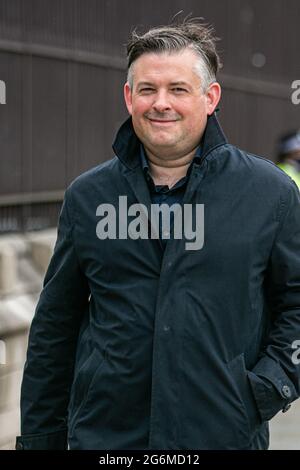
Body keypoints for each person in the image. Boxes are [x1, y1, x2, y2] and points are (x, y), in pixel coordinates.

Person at [16, 20, 300, 451]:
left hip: (221, 437)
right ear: (129, 97)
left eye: (178, 89)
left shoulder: (270, 194)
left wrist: (266, 387)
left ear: (211, 97)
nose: (160, 103)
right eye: (147, 89)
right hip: (106, 439)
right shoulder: (88, 197)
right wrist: (39, 439)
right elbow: (54, 329)